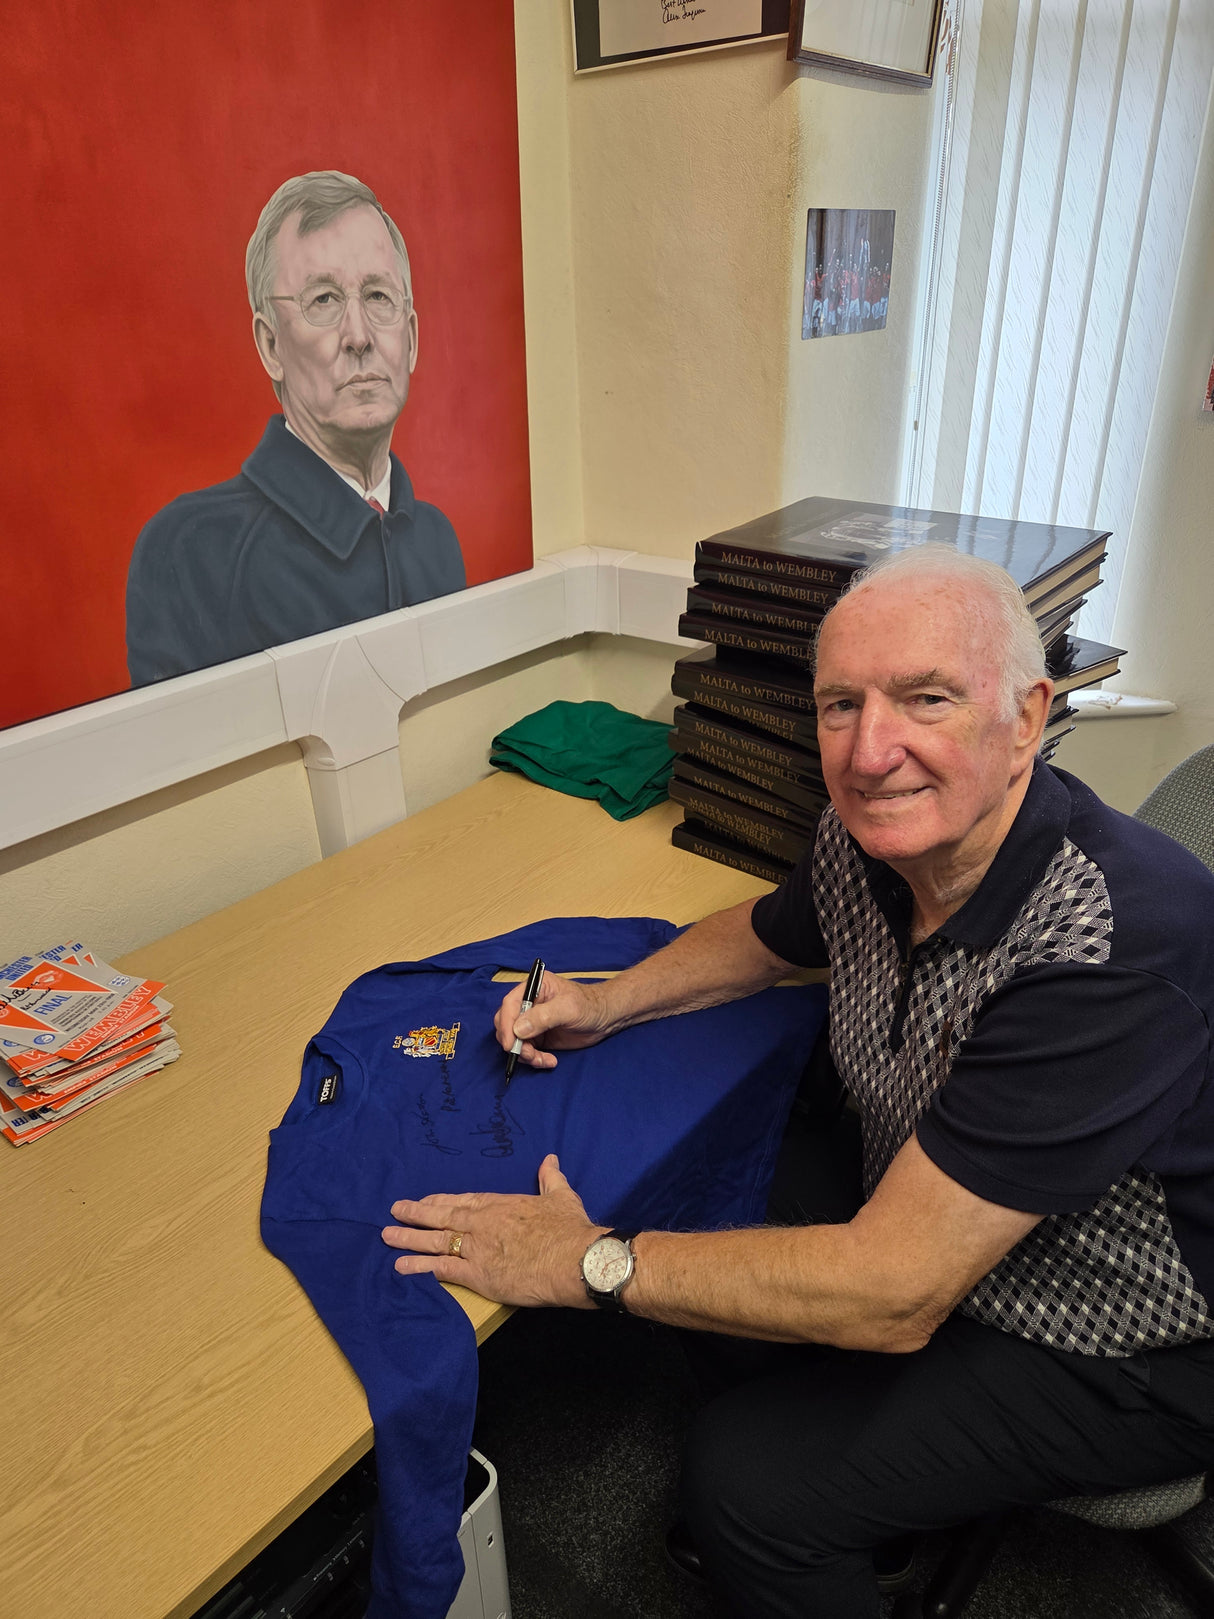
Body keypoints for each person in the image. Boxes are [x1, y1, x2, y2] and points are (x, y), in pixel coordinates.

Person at [381, 544, 1214, 1618]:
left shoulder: (1110, 946)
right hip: (939, 1208)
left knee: (748, 1482)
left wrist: (584, 1262)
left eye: (925, 697)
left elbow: (892, 1289)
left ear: (1024, 717)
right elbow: (770, 935)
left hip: (1125, 1334)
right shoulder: (877, 839)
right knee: (701, 1188)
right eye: (838, 703)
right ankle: (871, 1485)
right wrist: (608, 998)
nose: (870, 751)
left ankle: (802, 1510)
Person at [125, 170, 464, 686]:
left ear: (411, 339)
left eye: (378, 296)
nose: (359, 336)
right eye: (323, 300)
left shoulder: (438, 541)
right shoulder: (193, 551)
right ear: (270, 346)